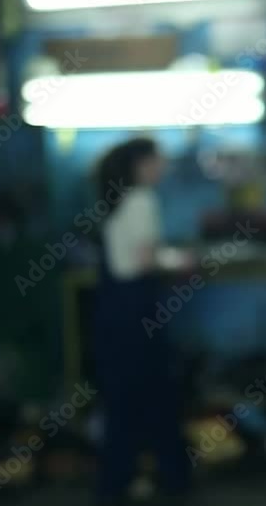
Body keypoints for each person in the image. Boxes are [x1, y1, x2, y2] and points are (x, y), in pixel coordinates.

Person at [92, 138, 190, 504]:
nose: (162, 167)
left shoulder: (116, 200)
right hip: (138, 309)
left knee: (123, 399)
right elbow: (147, 261)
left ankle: (115, 483)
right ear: (140, 165)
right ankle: (172, 479)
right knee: (157, 394)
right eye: (158, 161)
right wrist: (181, 262)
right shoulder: (142, 200)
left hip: (114, 310)